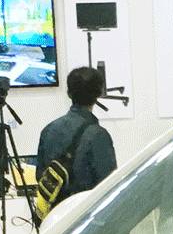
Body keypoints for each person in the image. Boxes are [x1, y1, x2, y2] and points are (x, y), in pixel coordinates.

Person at [36, 67, 118, 208]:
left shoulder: (48, 130)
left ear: (69, 93)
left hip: (54, 214)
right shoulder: (98, 135)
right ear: (99, 93)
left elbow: (40, 176)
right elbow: (108, 185)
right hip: (85, 214)